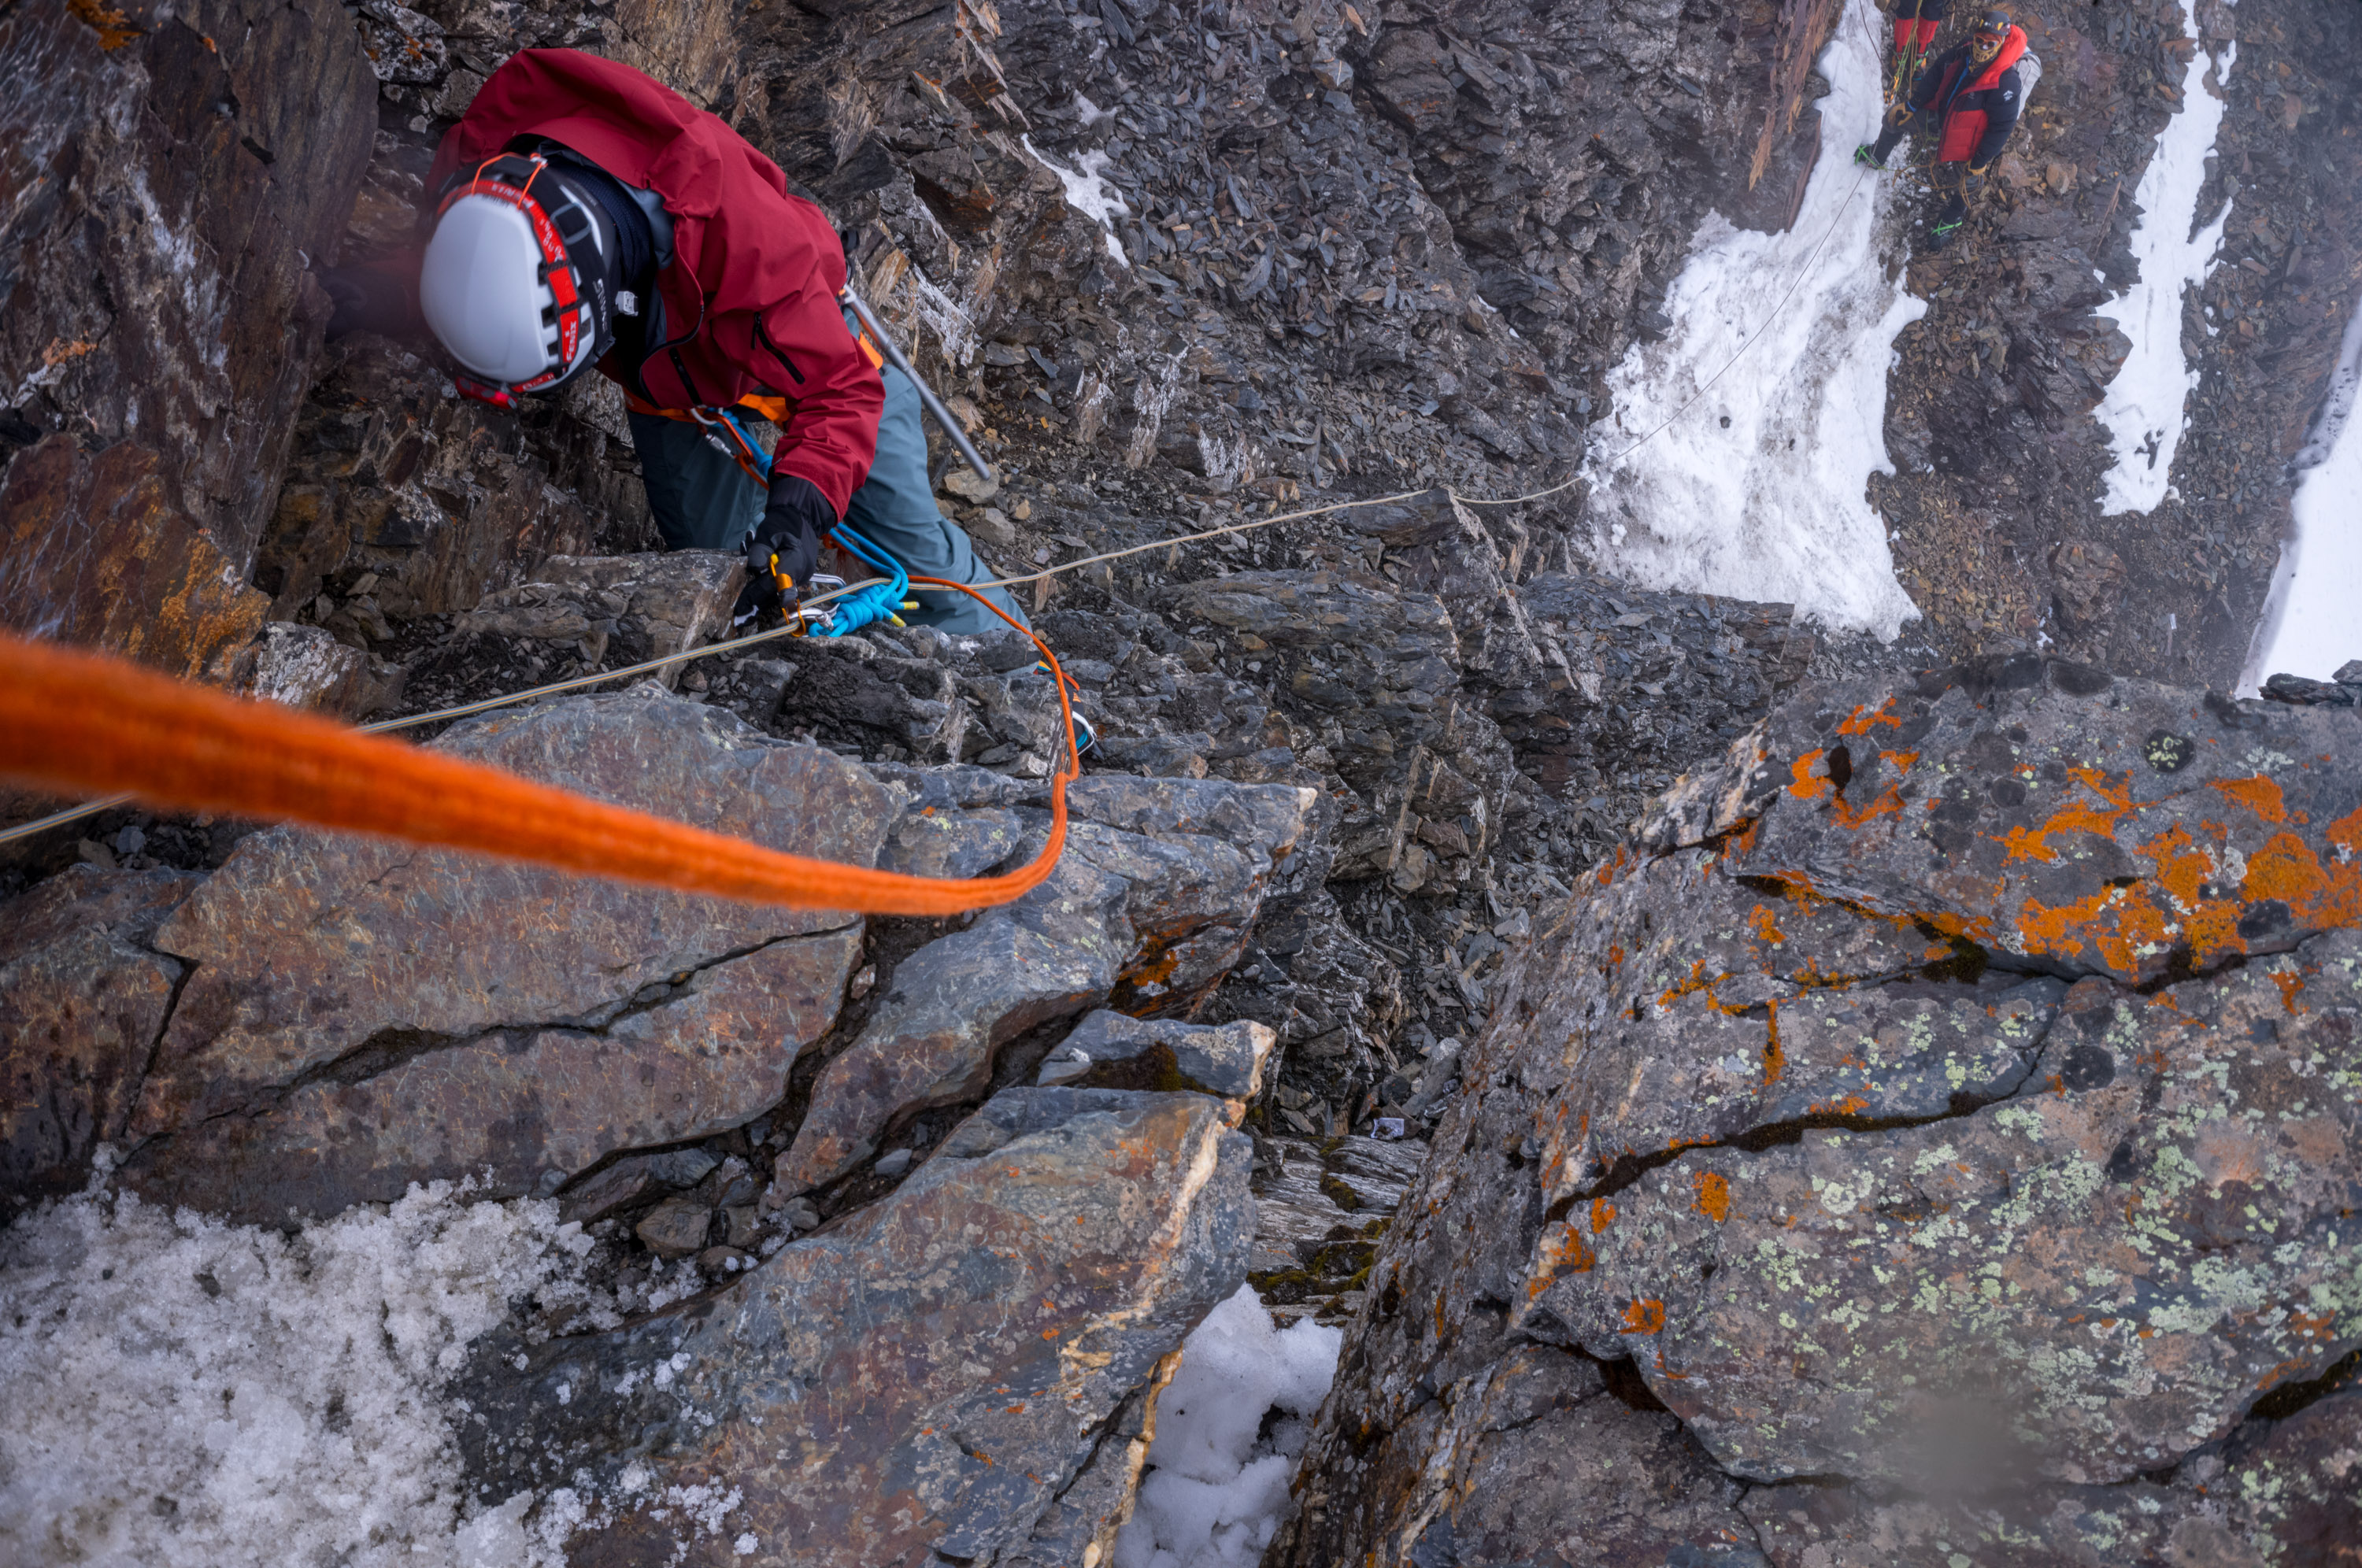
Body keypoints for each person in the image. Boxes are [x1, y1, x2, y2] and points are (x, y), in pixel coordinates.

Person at [320, 48, 1026, 637]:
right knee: (717, 574)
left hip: (819, 372)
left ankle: (1025, 675)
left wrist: (799, 512)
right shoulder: (484, 172)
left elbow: (841, 390)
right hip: (678, 390)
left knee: (921, 559)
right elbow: (472, 273)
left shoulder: (748, 245)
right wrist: (386, 292)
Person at [1854, 10, 2029, 251]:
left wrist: (1980, 161)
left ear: (2000, 44)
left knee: (1969, 181)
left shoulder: (2006, 83)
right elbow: (1936, 72)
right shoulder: (1964, 50)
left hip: (1968, 143)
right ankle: (1876, 156)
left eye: (1991, 43)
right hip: (1940, 118)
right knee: (1894, 119)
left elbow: (2001, 128)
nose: (1983, 47)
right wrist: (1912, 105)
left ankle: (1952, 218)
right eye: (1980, 40)